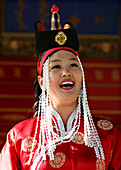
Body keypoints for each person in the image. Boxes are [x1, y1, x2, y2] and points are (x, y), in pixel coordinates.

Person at [0, 4, 121, 170]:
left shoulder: (107, 134)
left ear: (82, 76)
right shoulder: (20, 136)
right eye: (56, 67)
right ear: (42, 82)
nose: (66, 72)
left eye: (73, 65)